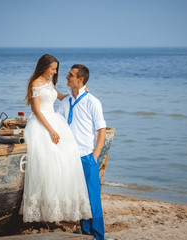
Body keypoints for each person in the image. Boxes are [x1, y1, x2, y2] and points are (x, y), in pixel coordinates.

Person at [20, 54, 92, 223]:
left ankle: (59, 206)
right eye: (52, 68)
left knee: (63, 161)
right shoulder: (35, 83)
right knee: (47, 165)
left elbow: (62, 97)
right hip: (41, 124)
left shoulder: (48, 83)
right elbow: (37, 110)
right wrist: (51, 130)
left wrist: (81, 91)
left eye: (56, 69)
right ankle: (44, 208)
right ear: (43, 66)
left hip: (54, 120)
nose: (54, 72)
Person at [57, 64, 107, 240]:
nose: (66, 77)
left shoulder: (93, 102)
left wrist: (95, 155)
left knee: (93, 199)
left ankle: (98, 236)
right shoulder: (66, 101)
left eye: (70, 75)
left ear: (80, 79)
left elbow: (102, 129)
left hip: (87, 156)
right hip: (70, 158)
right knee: (80, 199)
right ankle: (86, 234)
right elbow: (57, 123)